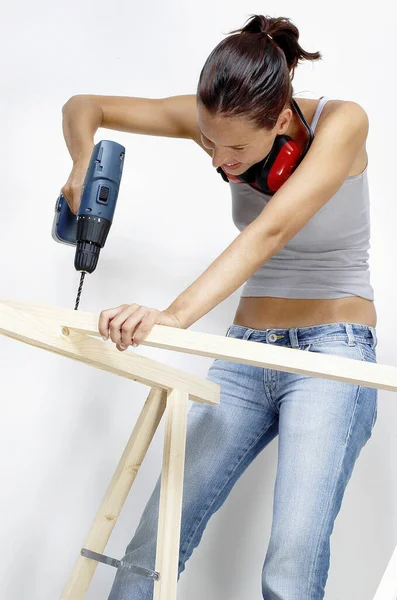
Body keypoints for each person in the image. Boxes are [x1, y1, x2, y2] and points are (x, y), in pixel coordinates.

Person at [61, 14, 378, 600]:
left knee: (290, 564)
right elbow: (86, 104)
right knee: (153, 546)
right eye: (209, 141)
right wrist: (81, 164)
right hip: (244, 353)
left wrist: (174, 317)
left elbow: (270, 232)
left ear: (281, 120)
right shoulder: (215, 124)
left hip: (334, 356)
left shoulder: (343, 121)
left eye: (235, 148)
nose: (219, 158)